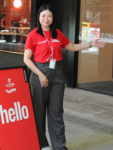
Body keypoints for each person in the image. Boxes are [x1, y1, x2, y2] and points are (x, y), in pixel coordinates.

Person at [23, 4, 105, 150]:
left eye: (49, 16)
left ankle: (60, 146)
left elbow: (71, 47)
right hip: (39, 73)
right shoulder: (33, 35)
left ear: (53, 18)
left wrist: (90, 44)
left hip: (58, 74)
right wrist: (40, 74)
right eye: (43, 16)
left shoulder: (57, 34)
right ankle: (42, 145)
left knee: (56, 112)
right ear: (39, 18)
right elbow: (27, 59)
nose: (46, 19)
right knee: (39, 112)